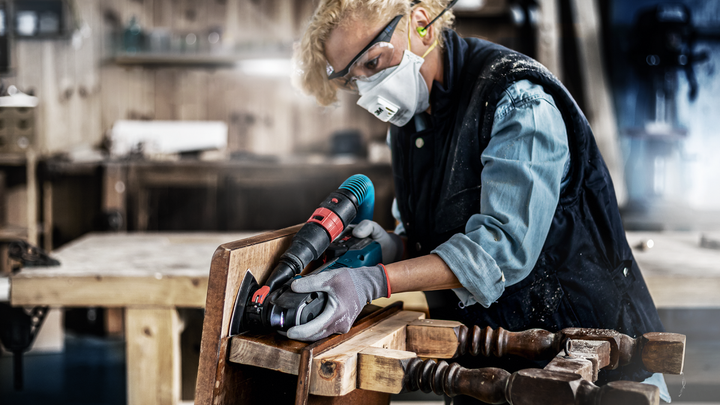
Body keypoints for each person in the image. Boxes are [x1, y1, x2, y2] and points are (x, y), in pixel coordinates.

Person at [287, 0, 669, 402]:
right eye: (352, 79)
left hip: (589, 365)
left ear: (421, 24)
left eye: (373, 62)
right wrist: (397, 246)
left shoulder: (518, 101)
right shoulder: (408, 125)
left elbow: (501, 251)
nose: (367, 87)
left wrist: (375, 281)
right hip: (489, 375)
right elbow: (435, 236)